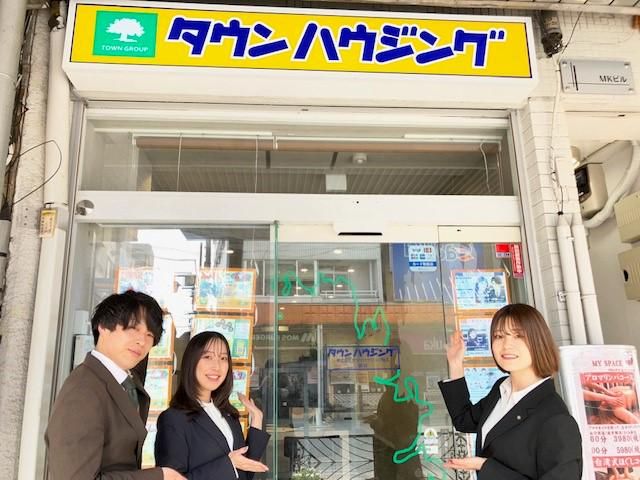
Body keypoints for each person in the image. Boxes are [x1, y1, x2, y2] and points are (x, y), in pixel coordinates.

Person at [45, 290, 185, 480]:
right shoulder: (83, 391)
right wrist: (160, 476)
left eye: (150, 334)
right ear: (103, 326)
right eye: (133, 328)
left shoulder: (127, 382)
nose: (142, 341)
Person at [438, 303, 582, 479]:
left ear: (538, 341)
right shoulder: (502, 389)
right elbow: (465, 420)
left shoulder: (555, 418)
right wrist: (455, 364)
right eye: (499, 336)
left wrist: (484, 466)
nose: (506, 345)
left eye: (518, 335)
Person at [155, 331, 270, 480]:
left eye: (223, 358)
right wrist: (229, 465)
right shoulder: (174, 419)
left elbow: (244, 471)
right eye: (208, 357)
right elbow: (171, 478)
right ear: (191, 362)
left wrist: (257, 420)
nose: (217, 366)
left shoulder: (228, 415)